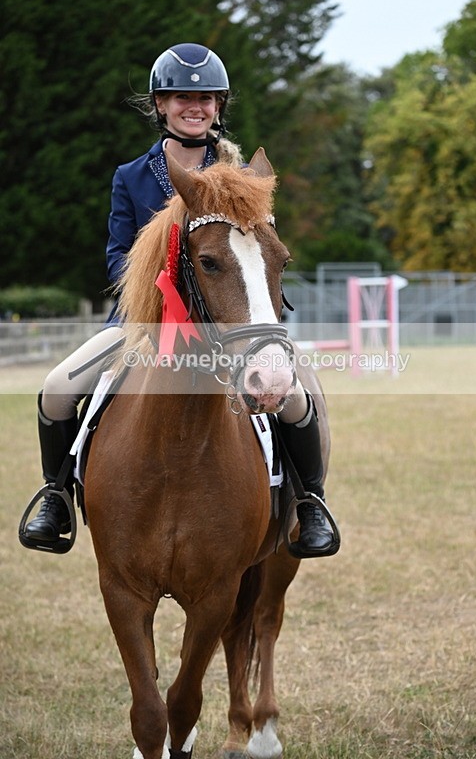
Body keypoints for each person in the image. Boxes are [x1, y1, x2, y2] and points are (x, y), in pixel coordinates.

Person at [22, 43, 337, 558]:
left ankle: (310, 503)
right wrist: (162, 291)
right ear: (160, 104)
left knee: (298, 397)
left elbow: (257, 252)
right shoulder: (131, 177)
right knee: (57, 388)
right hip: (142, 324)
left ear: (219, 106)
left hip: (234, 322)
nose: (195, 106)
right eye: (181, 96)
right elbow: (118, 259)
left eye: (206, 98)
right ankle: (55, 494)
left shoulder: (241, 174)